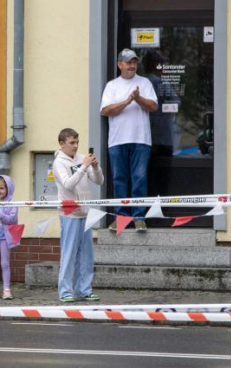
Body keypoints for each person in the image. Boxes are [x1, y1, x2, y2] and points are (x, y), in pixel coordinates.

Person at [100, 48, 157, 232]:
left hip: (141, 139)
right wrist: (127, 101)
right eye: (128, 62)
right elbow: (105, 111)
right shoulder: (112, 86)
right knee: (119, 180)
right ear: (120, 65)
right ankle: (122, 218)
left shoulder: (144, 82)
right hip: (117, 140)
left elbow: (153, 106)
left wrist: (138, 98)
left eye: (134, 62)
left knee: (139, 179)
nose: (132, 65)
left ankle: (139, 217)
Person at [53, 128, 104, 303]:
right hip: (69, 213)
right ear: (62, 144)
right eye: (71, 143)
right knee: (69, 254)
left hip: (85, 212)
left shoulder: (82, 158)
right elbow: (68, 184)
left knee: (86, 255)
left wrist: (95, 167)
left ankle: (84, 290)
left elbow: (99, 181)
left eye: (77, 142)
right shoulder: (59, 163)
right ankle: (65, 291)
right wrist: (84, 166)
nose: (75, 146)